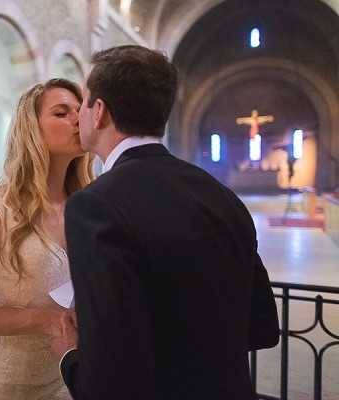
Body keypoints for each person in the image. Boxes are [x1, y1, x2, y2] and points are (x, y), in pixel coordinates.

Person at [51, 45, 280, 400]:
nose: (78, 115)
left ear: (98, 112)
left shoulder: (95, 206)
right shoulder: (220, 195)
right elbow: (262, 327)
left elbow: (108, 384)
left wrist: (68, 355)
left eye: (82, 103)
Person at [0, 78, 94, 399]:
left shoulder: (87, 206)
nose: (76, 119)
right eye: (61, 113)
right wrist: (48, 321)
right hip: (8, 382)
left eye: (78, 111)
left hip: (69, 376)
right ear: (32, 129)